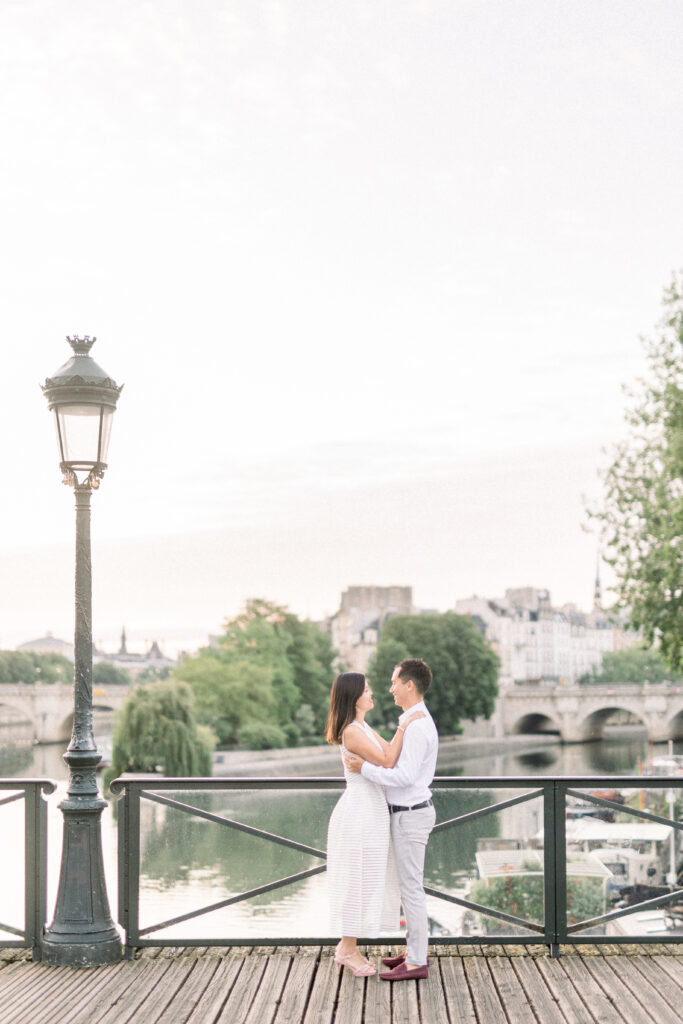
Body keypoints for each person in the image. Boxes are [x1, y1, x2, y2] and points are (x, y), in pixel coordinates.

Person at [325, 671, 425, 977]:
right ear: (353, 696)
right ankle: (346, 949)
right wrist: (404, 726)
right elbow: (388, 761)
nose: (372, 694)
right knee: (356, 880)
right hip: (360, 813)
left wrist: (401, 729)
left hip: (370, 812)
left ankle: (349, 946)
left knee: (366, 879)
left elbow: (388, 755)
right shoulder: (352, 732)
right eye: (367, 690)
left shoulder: (361, 727)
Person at [344, 658, 438, 982]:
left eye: (394, 682)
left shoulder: (417, 725)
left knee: (411, 889)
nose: (390, 689)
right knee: (407, 888)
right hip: (408, 814)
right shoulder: (413, 721)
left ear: (409, 685)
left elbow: (405, 775)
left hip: (410, 815)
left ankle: (416, 962)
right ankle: (414, 951)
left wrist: (363, 769)